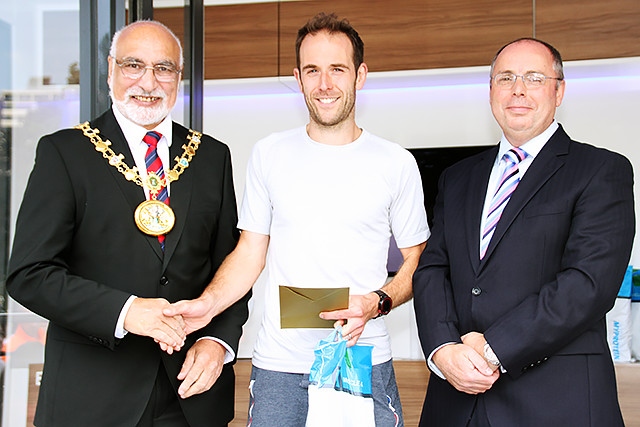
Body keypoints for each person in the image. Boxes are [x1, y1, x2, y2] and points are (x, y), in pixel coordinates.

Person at [164, 12, 429, 427]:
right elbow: (251, 251)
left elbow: (418, 260)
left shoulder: (396, 163)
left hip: (360, 356)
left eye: (337, 69)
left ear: (360, 75)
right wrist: (207, 304)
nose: (325, 84)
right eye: (312, 70)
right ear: (298, 77)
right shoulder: (269, 154)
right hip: (279, 365)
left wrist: (376, 303)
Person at [6, 20, 250, 427]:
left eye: (164, 68)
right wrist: (126, 311)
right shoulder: (65, 153)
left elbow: (233, 268)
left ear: (178, 77)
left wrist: (216, 341)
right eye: (133, 65)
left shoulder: (212, 157)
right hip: (92, 397)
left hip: (191, 395)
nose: (148, 82)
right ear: (110, 70)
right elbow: (29, 274)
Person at [412, 37, 635, 427]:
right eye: (506, 78)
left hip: (555, 403)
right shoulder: (457, 178)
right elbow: (433, 270)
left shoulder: (601, 170)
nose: (518, 89)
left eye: (534, 78)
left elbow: (588, 284)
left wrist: (494, 349)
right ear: (490, 91)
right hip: (455, 402)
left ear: (559, 90)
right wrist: (442, 349)